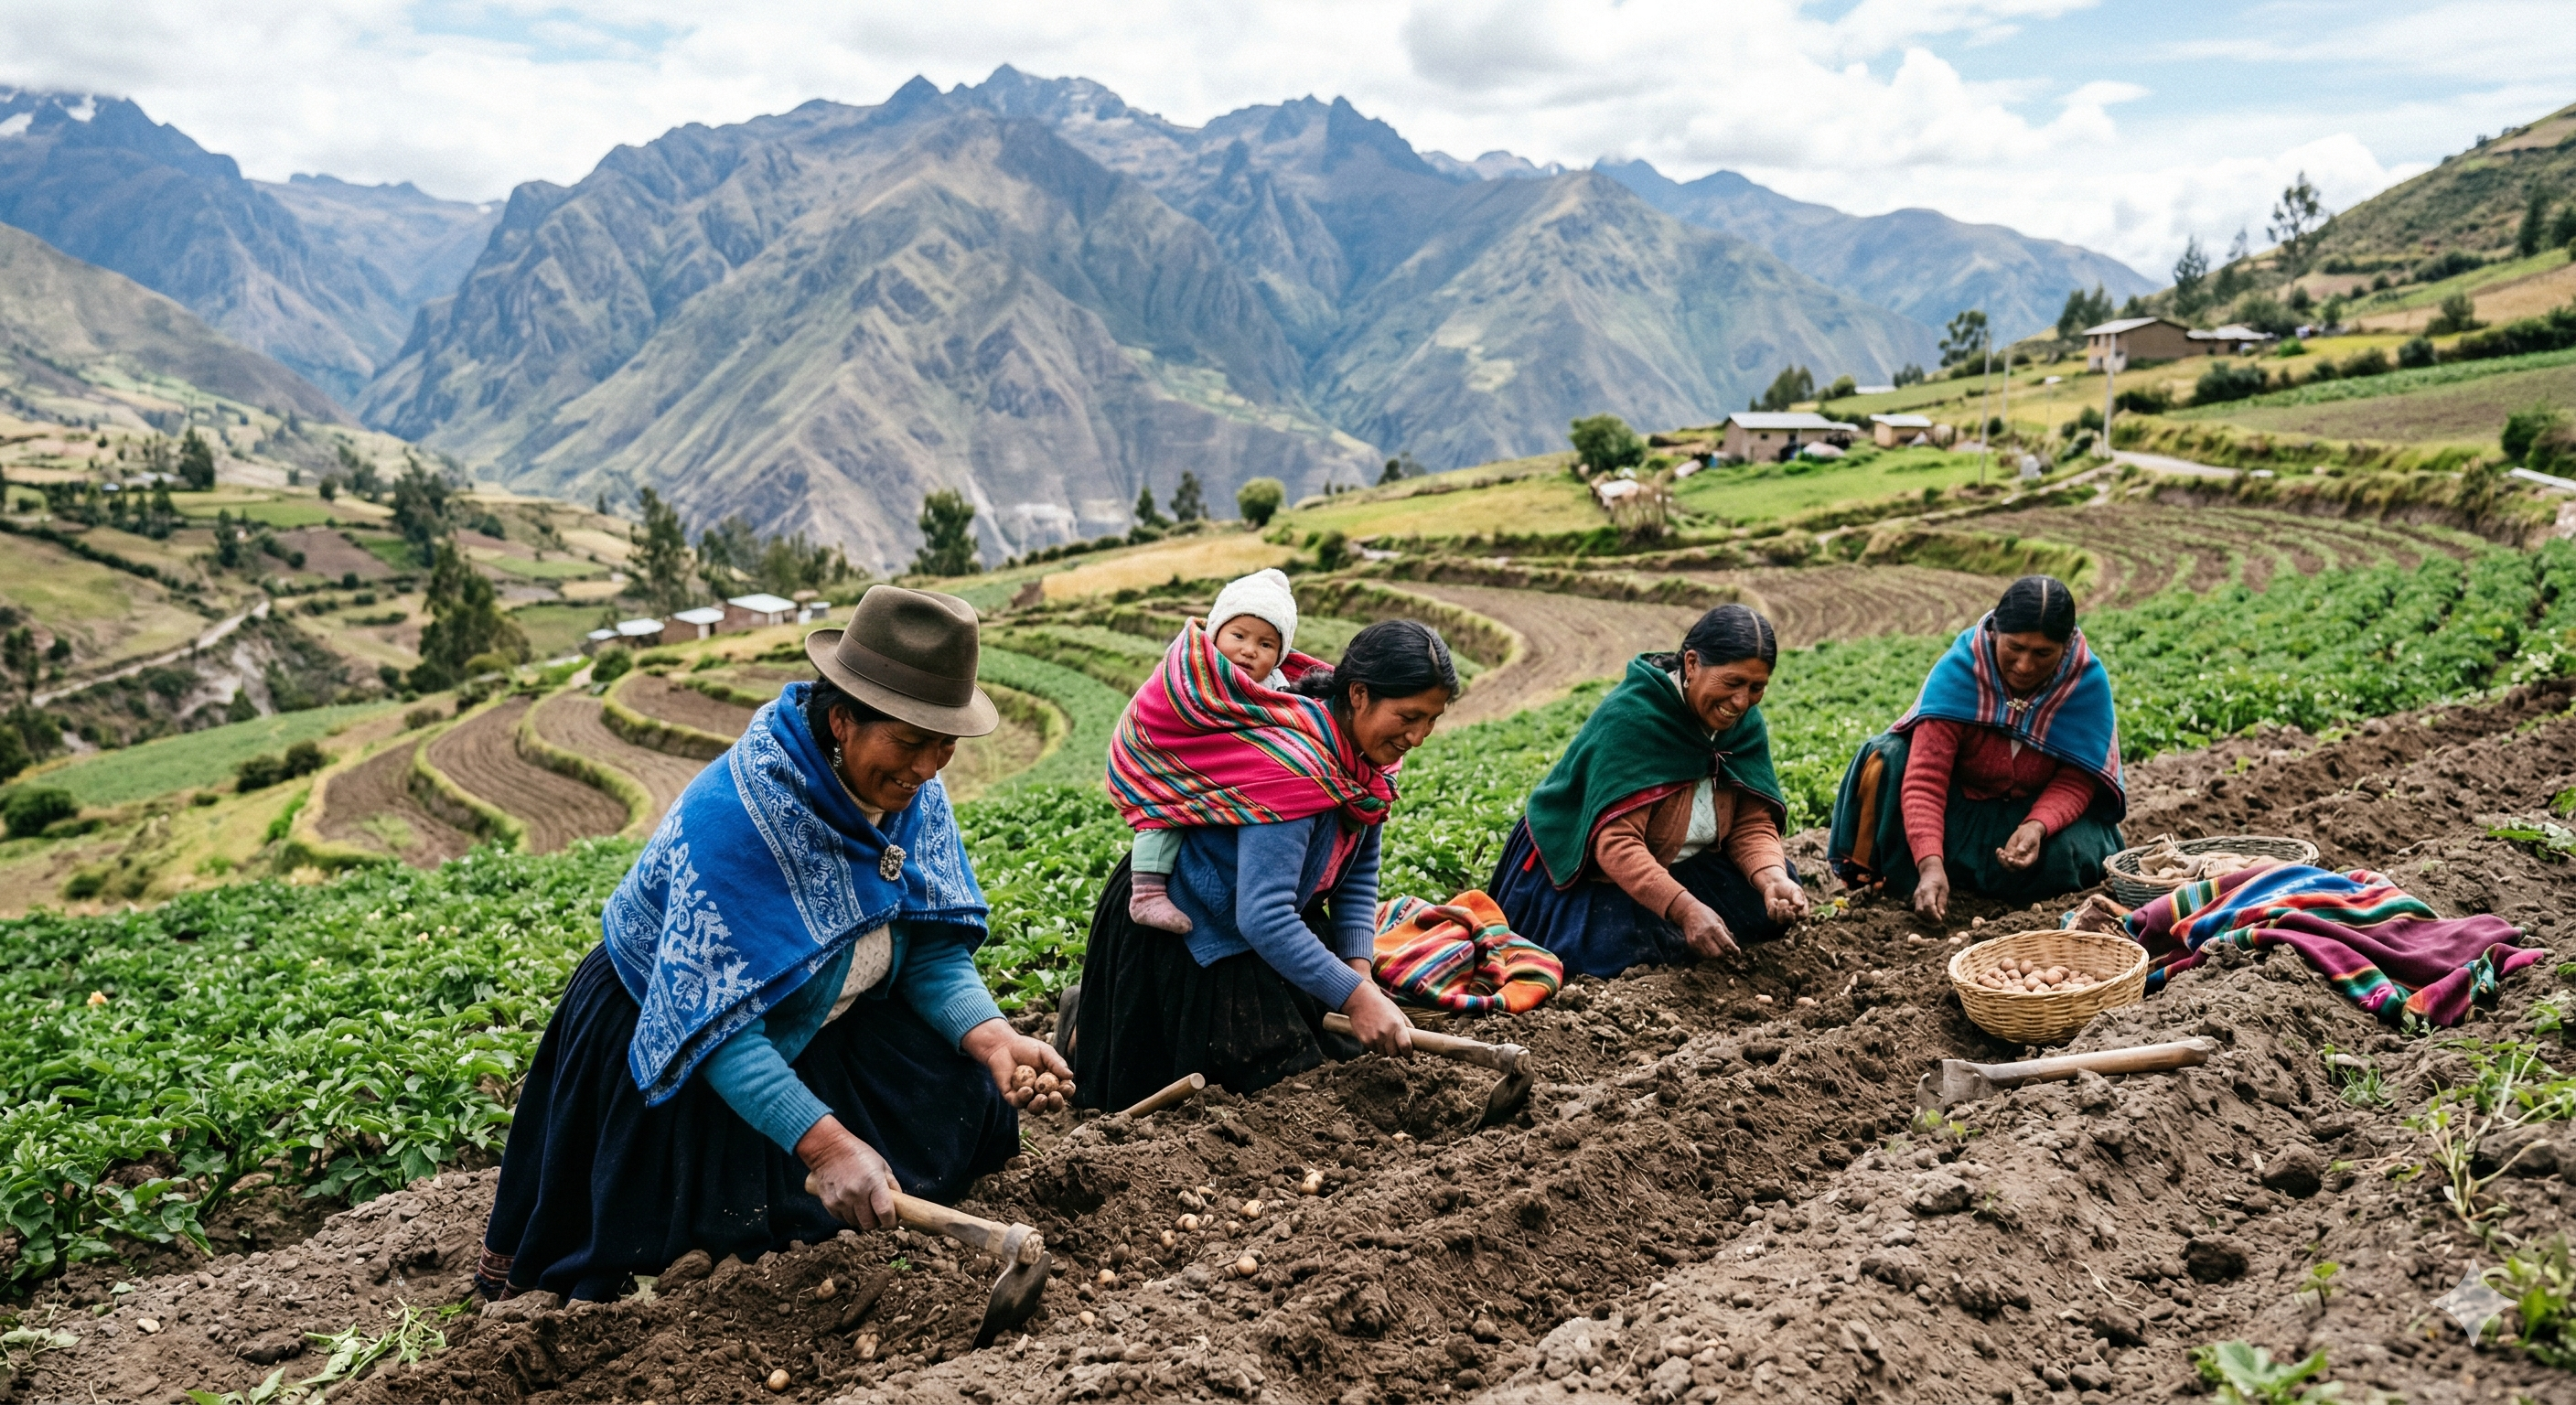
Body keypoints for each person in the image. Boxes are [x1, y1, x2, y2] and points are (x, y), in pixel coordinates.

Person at [477, 587, 1072, 1303]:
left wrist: (992, 1035)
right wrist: (824, 1146)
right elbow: (720, 1030)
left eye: (943, 744)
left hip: (821, 1009)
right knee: (718, 1244)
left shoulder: (909, 794)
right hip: (681, 1033)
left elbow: (930, 949)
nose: (926, 766)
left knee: (965, 1104)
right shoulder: (737, 818)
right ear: (843, 722)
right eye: (909, 742)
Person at [1070, 619, 1459, 1110]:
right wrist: (1358, 999)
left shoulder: (1365, 765)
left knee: (1337, 1052)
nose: (1418, 736)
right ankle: (1088, 1019)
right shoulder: (1295, 764)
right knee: (1269, 1090)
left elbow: (1357, 876)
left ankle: (1097, 1017)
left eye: (1431, 720)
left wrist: (1358, 977)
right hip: (1197, 928)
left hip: (1265, 920)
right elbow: (1263, 915)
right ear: (1358, 695)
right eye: (1408, 716)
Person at [1487, 604, 1809, 978]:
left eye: (1757, 688)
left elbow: (1750, 824)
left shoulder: (1742, 724)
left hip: (1680, 861)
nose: (1742, 702)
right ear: (1691, 665)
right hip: (1594, 868)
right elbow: (1617, 844)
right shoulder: (1633, 719)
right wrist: (1685, 908)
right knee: (1613, 952)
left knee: (1770, 899)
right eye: (1732, 683)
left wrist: (1771, 877)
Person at [1827, 575, 2126, 922]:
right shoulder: (1960, 671)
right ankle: (1917, 879)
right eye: (2014, 647)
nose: (2025, 665)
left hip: (2027, 819)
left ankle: (2005, 883)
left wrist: (2036, 826)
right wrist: (1929, 863)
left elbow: (2077, 779)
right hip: (1958, 815)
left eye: (2043, 653)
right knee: (1887, 754)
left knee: (2071, 854)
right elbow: (1926, 780)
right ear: (1994, 632)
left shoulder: (2084, 684)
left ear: (2067, 646)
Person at [1126, 568, 1299, 933]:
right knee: (1164, 812)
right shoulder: (1193, 668)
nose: (1250, 650)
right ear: (1216, 632)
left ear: (1281, 655)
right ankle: (1146, 893)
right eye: (1239, 635)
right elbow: (1165, 711)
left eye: (1267, 644)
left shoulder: (1279, 688)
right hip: (1178, 763)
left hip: (1234, 780)